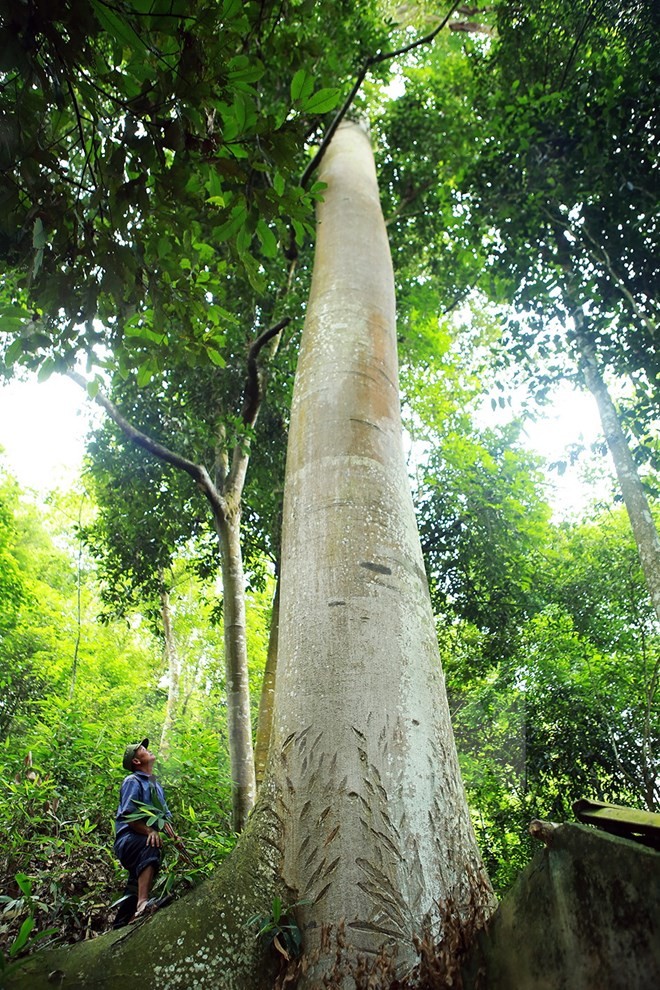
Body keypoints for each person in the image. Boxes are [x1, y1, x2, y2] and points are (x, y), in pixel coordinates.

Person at [113, 737, 171, 924]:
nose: (148, 750)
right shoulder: (132, 780)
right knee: (151, 846)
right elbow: (129, 815)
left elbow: (163, 817)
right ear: (136, 761)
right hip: (130, 839)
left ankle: (122, 923)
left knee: (135, 882)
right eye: (143, 750)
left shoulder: (154, 783)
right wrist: (149, 831)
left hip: (144, 838)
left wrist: (174, 838)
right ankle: (143, 904)